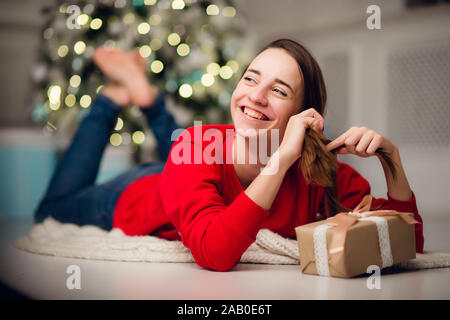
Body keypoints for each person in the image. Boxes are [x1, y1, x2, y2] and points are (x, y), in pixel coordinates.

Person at [35, 39, 424, 272]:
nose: (255, 95)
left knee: (191, 150)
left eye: (279, 90)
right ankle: (113, 99)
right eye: (251, 78)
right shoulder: (198, 146)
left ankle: (145, 96)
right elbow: (215, 253)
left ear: (304, 116)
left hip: (195, 169)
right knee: (49, 210)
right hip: (129, 199)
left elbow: (409, 246)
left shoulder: (319, 176)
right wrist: (279, 159)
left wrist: (392, 161)